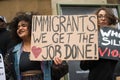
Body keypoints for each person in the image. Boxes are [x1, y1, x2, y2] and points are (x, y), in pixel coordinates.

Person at [4, 12, 68, 80]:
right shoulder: (12, 52)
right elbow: (7, 74)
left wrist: (58, 65)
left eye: (23, 25)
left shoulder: (48, 47)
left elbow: (61, 72)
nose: (20, 28)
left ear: (32, 27)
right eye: (18, 27)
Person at [80, 7, 119, 80]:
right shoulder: (90, 39)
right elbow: (83, 66)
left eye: (106, 16)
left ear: (110, 19)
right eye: (100, 16)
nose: (103, 19)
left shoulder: (117, 38)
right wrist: (94, 52)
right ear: (95, 19)